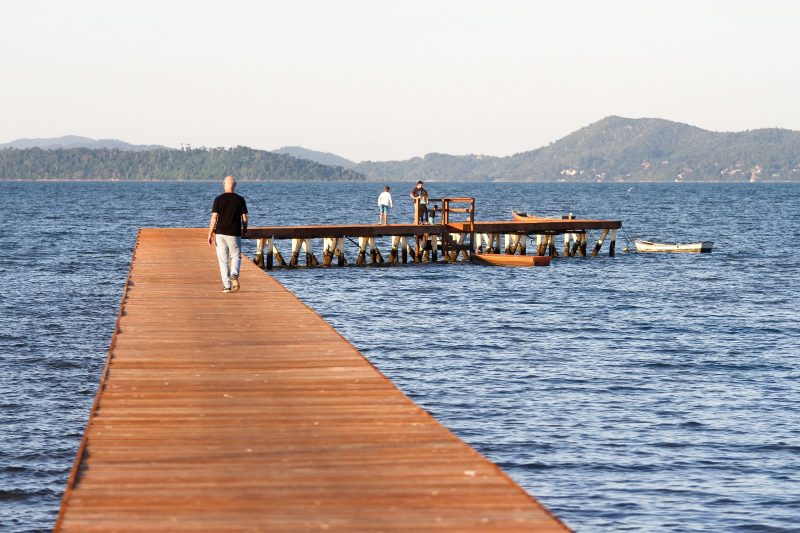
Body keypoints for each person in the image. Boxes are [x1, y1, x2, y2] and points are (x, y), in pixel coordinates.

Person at [207, 176, 248, 293]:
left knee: (223, 260)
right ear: (234, 185)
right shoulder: (240, 200)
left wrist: (210, 234)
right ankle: (234, 273)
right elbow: (244, 217)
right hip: (234, 233)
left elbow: (214, 217)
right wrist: (245, 229)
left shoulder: (218, 199)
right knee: (236, 256)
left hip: (220, 233)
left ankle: (227, 286)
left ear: (224, 185)